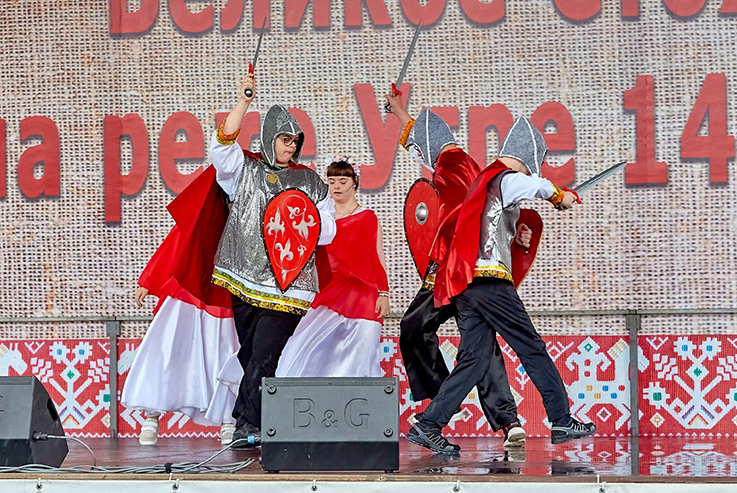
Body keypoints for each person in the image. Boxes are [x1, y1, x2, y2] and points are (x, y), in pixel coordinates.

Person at [406, 116, 596, 454]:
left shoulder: (485, 182)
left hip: (467, 286)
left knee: (473, 361)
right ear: (530, 155)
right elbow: (533, 185)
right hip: (491, 283)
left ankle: (428, 424)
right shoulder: (504, 177)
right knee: (531, 347)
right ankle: (562, 419)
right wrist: (559, 196)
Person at [385, 93, 526, 448]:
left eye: (419, 149)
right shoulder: (462, 163)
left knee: (415, 326)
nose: (417, 155)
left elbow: (458, 207)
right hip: (470, 266)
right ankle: (508, 422)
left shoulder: (452, 164)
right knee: (480, 344)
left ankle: (442, 395)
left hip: (453, 267)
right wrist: (400, 112)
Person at [209, 73, 336, 447]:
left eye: (295, 141)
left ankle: (247, 424)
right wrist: (244, 102)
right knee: (252, 354)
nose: (290, 146)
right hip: (244, 277)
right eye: (284, 139)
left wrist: (300, 218)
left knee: (265, 354)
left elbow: (327, 231)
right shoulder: (242, 169)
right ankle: (250, 422)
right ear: (268, 138)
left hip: (290, 285)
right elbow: (221, 145)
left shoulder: (312, 182)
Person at [121, 199, 239, 446]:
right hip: (187, 291)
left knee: (225, 355)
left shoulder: (246, 211)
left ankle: (228, 421)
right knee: (166, 351)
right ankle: (151, 417)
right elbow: (176, 242)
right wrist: (149, 281)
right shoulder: (203, 212)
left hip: (223, 295)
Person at [275, 159, 391, 377]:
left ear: (355, 183)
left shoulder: (368, 217)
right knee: (303, 346)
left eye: (343, 181)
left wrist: (383, 293)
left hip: (362, 292)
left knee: (362, 351)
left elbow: (377, 256)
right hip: (328, 290)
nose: (337, 186)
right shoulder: (321, 220)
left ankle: (361, 395)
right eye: (332, 181)